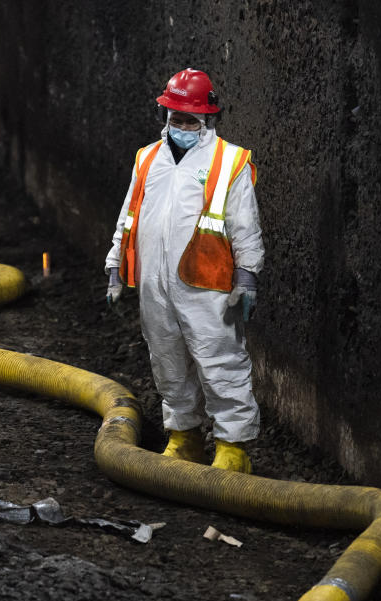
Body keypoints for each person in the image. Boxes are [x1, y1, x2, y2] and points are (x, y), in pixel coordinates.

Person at [104, 68, 264, 474]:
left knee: (220, 361)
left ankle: (233, 447)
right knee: (166, 360)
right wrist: (114, 265)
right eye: (175, 117)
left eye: (190, 119)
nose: (181, 125)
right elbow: (130, 216)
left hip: (207, 284)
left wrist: (247, 275)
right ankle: (184, 438)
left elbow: (245, 223)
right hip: (155, 284)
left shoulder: (229, 161)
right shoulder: (147, 158)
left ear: (207, 119)